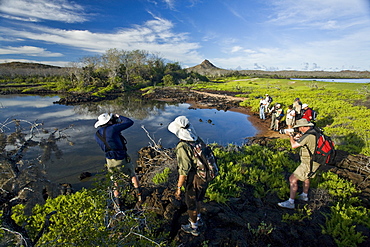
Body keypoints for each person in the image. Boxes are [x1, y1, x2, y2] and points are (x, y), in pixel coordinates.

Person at [168, 116, 208, 236]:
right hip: (204, 175)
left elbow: (184, 170)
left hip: (195, 178)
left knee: (191, 203)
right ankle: (199, 219)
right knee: (199, 198)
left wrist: (179, 188)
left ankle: (194, 227)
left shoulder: (183, 146)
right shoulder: (197, 139)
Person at [94, 113, 141, 211]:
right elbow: (129, 122)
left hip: (109, 159)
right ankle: (139, 195)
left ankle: (118, 203)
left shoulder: (97, 134)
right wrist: (118, 116)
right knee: (132, 174)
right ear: (109, 121)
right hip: (121, 156)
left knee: (114, 179)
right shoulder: (113, 129)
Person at [278, 119, 320, 209]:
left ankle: (291, 202)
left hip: (308, 163)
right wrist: (299, 137)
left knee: (292, 179)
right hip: (315, 161)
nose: (299, 129)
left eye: (300, 127)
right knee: (306, 177)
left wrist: (290, 136)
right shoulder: (315, 132)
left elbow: (293, 146)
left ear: (303, 127)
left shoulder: (308, 136)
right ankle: (304, 195)